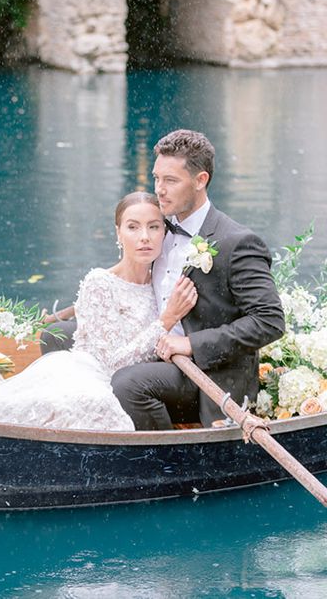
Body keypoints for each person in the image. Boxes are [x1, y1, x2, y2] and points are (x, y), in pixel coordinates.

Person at [0, 192, 197, 431]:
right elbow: (112, 365)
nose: (144, 237)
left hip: (132, 385)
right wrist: (166, 320)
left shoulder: (163, 286)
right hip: (96, 380)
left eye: (154, 227)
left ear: (165, 233)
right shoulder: (99, 283)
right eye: (133, 227)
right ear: (118, 233)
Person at [110, 130, 286, 429]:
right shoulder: (156, 228)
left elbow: (269, 321)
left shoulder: (237, 242)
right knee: (62, 337)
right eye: (156, 178)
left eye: (171, 181)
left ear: (200, 180)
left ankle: (167, 466)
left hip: (207, 373)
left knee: (127, 383)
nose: (159, 190)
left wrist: (192, 344)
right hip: (154, 349)